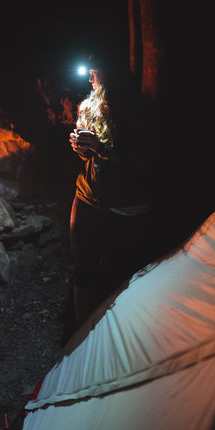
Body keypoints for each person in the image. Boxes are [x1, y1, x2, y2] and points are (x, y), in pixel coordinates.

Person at [66, 60, 157, 331]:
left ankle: (122, 333)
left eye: (95, 73)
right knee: (83, 266)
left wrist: (101, 148)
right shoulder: (90, 106)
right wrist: (81, 148)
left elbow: (145, 162)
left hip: (127, 206)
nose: (90, 80)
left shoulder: (138, 110)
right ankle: (81, 333)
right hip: (88, 195)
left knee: (124, 273)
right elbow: (91, 155)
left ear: (112, 75)